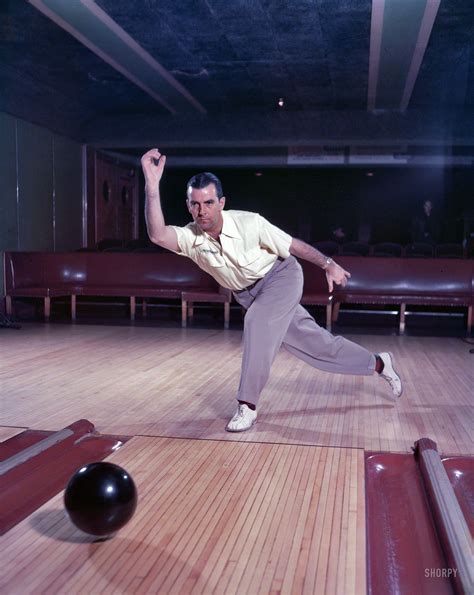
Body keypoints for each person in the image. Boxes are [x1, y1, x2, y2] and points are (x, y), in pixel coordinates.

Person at [141, 148, 403, 432]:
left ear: (222, 202)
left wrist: (328, 264)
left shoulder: (249, 222)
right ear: (189, 205)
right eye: (195, 204)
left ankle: (247, 405)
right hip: (248, 294)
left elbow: (292, 245)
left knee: (256, 321)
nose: (202, 210)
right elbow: (157, 234)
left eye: (208, 202)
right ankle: (378, 363)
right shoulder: (190, 237)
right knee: (318, 347)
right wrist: (152, 187)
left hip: (281, 277)